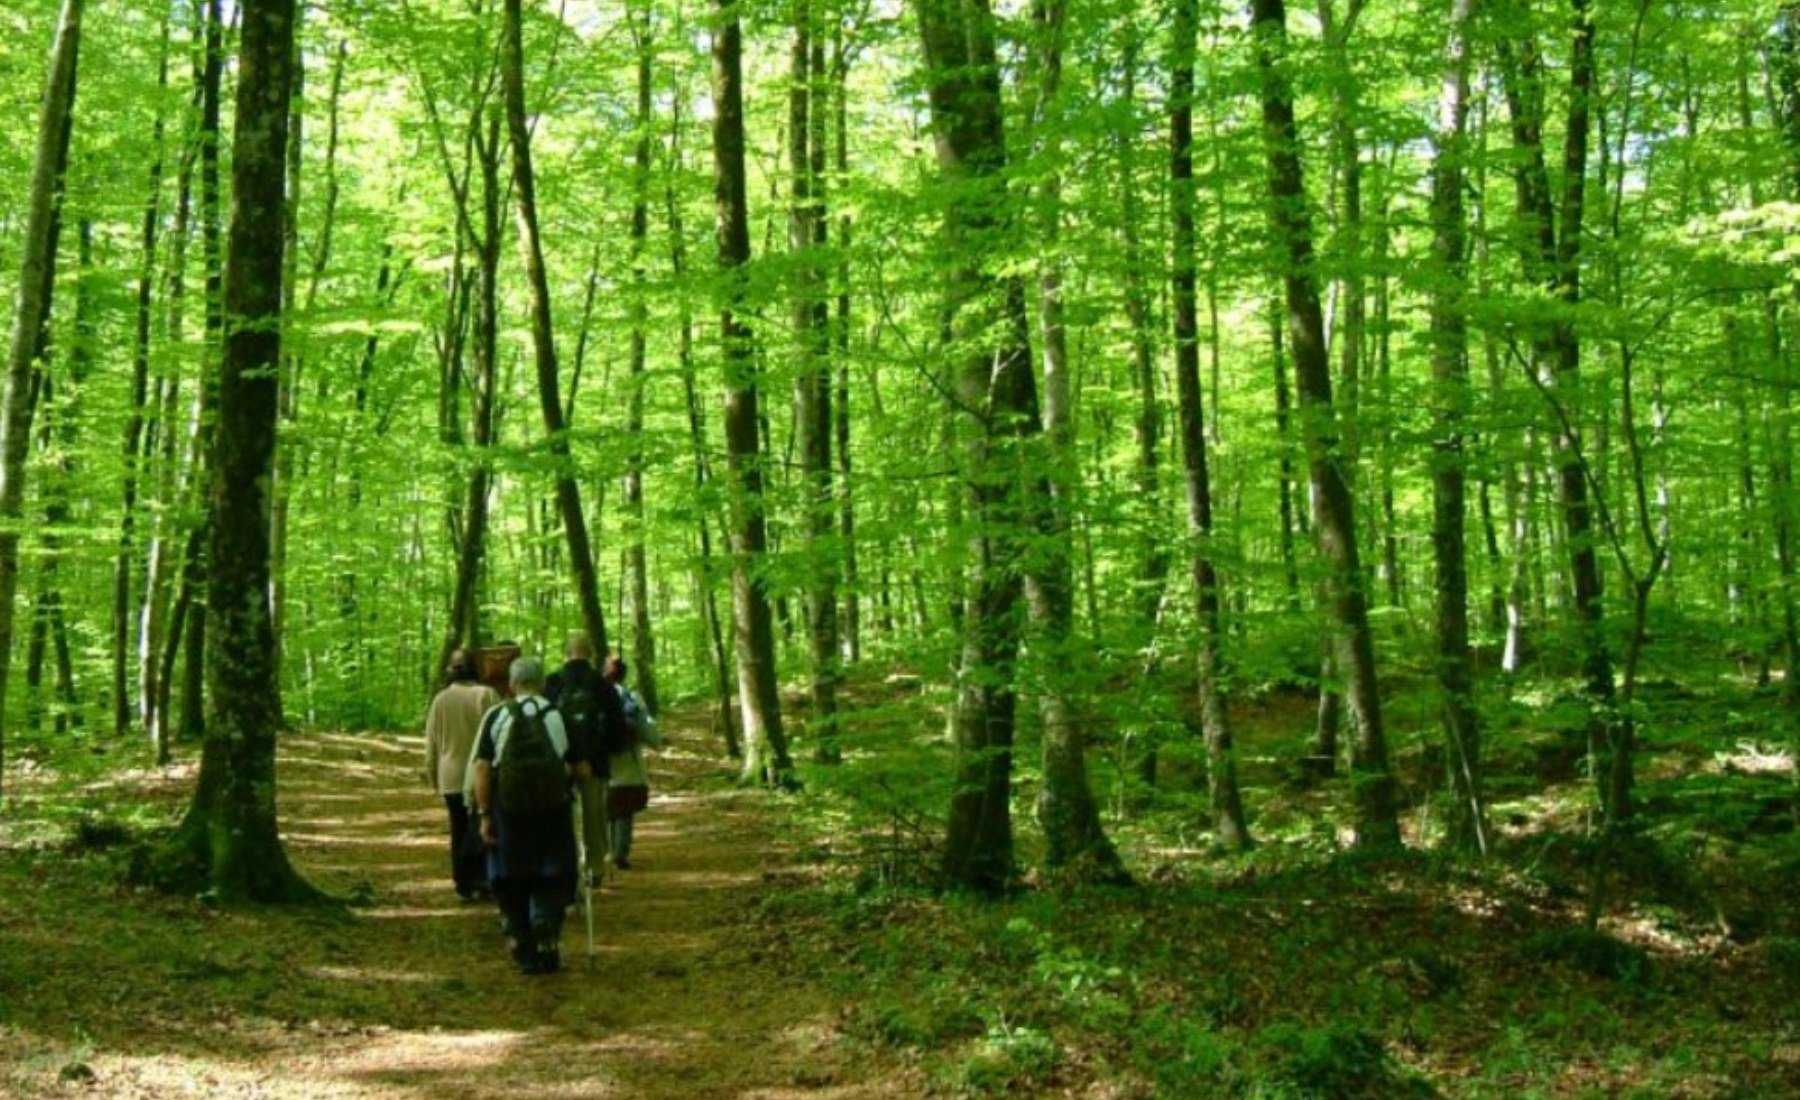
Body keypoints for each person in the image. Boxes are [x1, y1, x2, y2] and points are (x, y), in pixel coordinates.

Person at [471, 656, 588, 974]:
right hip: (553, 809)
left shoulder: (496, 715)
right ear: (541, 683)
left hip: (507, 811)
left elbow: (481, 768)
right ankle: (546, 924)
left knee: (510, 878)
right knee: (554, 872)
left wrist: (484, 813)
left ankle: (523, 946)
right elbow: (581, 768)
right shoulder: (558, 715)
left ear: (512, 683)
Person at [545, 634, 625, 884]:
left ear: (565, 653)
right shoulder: (603, 684)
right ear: (590, 654)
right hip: (596, 762)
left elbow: (545, 722)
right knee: (595, 815)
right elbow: (616, 726)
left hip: (561, 762)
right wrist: (608, 752)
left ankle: (565, 865)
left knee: (561, 816)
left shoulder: (553, 682)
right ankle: (596, 866)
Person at [423, 649, 502, 901]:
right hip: (482, 774)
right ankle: (483, 879)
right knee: (484, 825)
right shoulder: (488, 695)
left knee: (458, 828)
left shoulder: (441, 700)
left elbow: (431, 745)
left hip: (451, 775)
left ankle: (463, 882)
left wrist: (433, 777)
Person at [602, 655, 663, 870]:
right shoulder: (631, 696)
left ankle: (609, 851)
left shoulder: (597, 696)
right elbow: (647, 726)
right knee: (624, 811)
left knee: (608, 809)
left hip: (603, 761)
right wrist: (656, 742)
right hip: (628, 759)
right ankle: (620, 852)